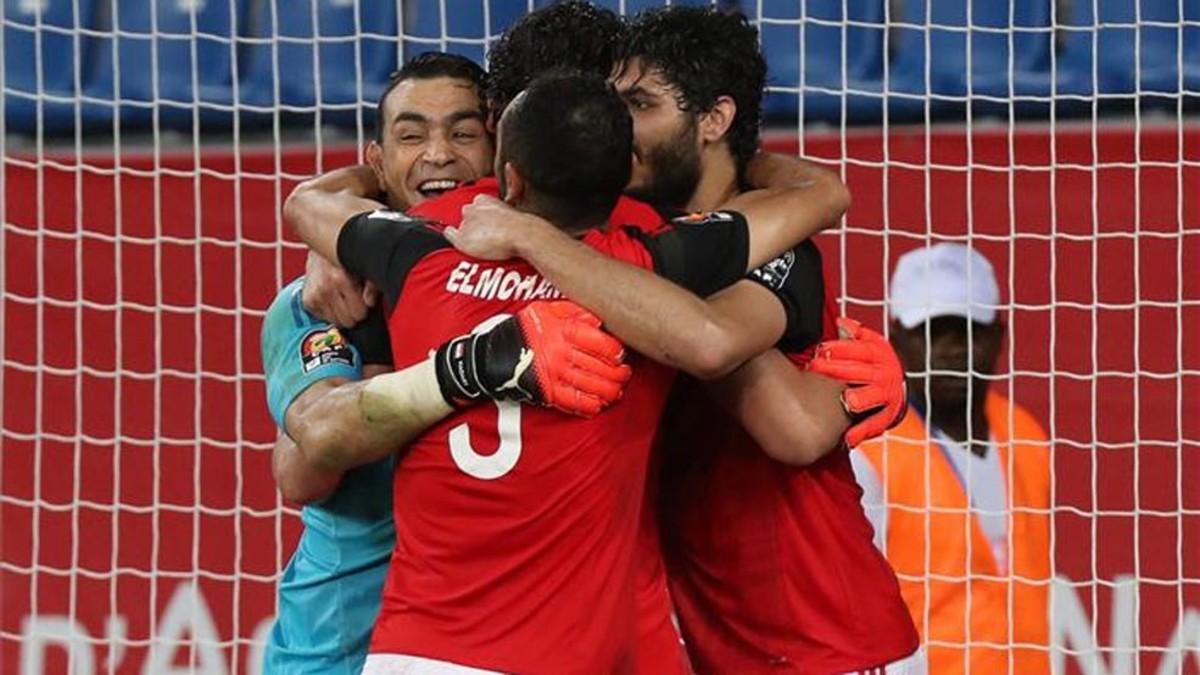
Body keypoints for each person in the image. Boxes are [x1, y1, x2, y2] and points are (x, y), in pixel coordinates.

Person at [294, 71, 836, 673]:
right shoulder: (653, 270)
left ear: (510, 174)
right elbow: (822, 195)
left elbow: (306, 203)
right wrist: (747, 158)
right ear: (625, 172)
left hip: (418, 650)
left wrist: (377, 181)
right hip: (560, 656)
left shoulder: (418, 253)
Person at [449, 7, 923, 673]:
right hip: (718, 643)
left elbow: (791, 424)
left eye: (639, 104)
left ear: (713, 120)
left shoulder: (769, 243)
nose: (618, 126)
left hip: (829, 639)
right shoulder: (633, 240)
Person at [258, 52, 497, 675]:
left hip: (472, 646)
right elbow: (302, 475)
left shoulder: (532, 284)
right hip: (334, 654)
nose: (439, 154)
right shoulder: (319, 300)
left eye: (465, 133)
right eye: (411, 136)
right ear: (379, 163)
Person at [851, 243, 1052, 675]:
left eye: (968, 330)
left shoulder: (1026, 435)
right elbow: (853, 607)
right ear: (897, 337)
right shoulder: (868, 447)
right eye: (932, 331)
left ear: (998, 335)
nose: (952, 350)